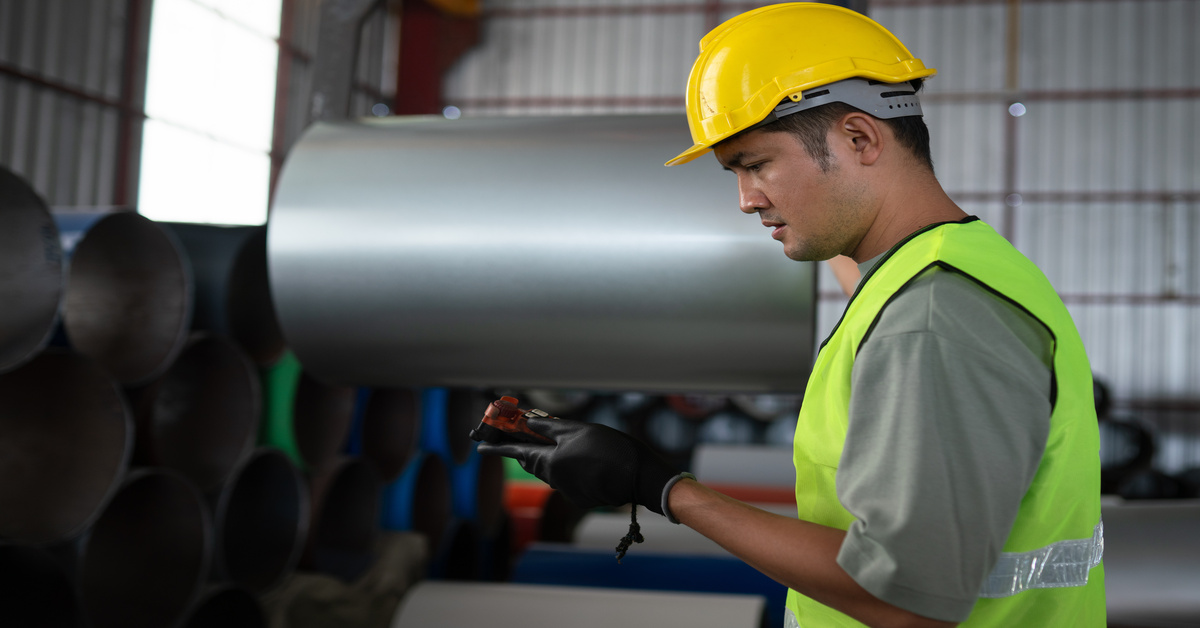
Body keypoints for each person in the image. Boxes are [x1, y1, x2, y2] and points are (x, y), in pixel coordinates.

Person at [478, 4, 1106, 627]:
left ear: (859, 138)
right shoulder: (942, 265)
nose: (748, 201)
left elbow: (905, 600)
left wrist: (661, 488)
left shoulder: (933, 317)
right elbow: (861, 271)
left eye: (756, 165)